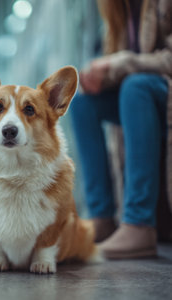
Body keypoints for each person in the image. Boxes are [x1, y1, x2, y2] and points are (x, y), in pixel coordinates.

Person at [70, 0, 171, 258]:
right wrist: (100, 75)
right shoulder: (117, 9)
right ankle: (101, 217)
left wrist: (123, 63)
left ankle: (139, 224)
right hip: (140, 94)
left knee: (135, 87)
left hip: (159, 91)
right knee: (83, 103)